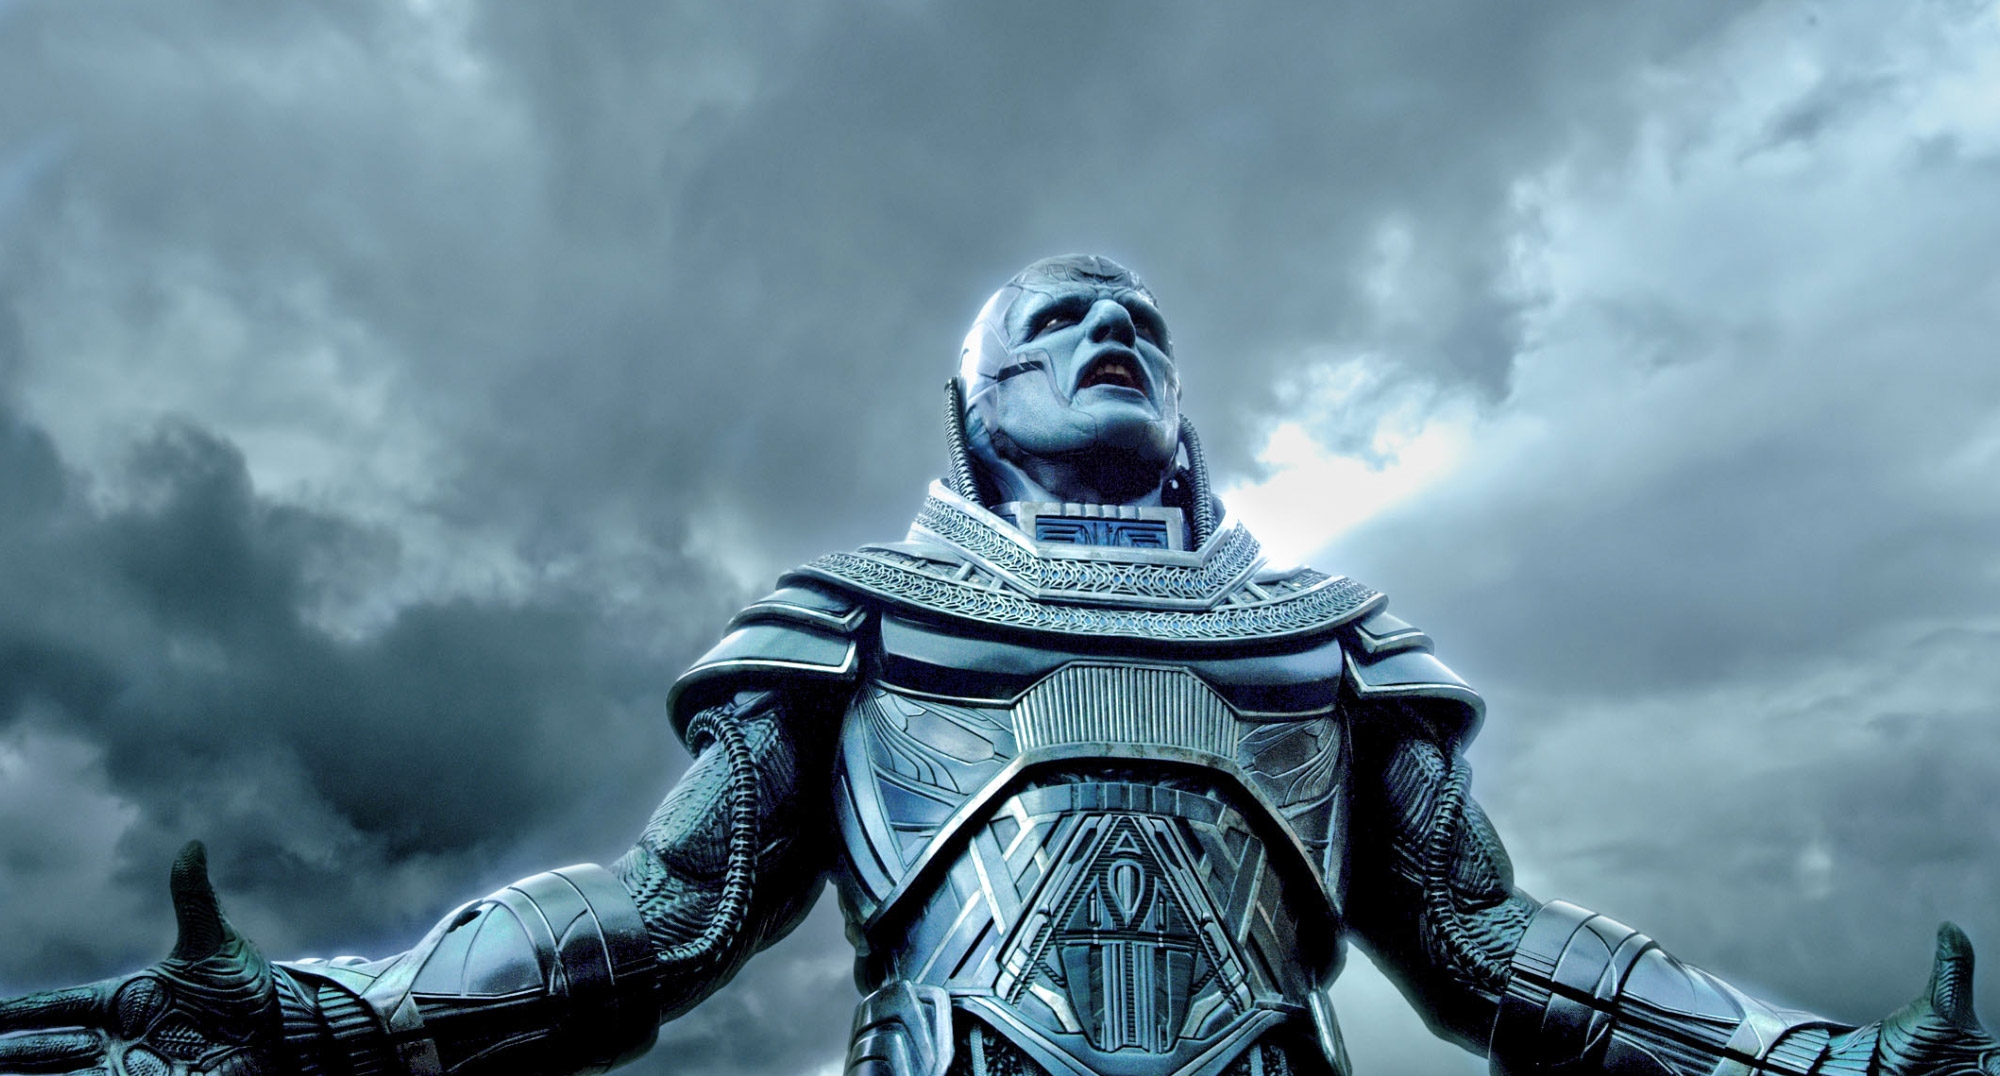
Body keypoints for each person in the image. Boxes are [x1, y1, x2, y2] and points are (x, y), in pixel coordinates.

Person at [0, 255, 1990, 1076]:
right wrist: (328, 1021)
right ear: (974, 419)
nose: (1107, 327)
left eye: (1137, 323)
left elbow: (1486, 942)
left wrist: (1811, 1062)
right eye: (1050, 322)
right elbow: (661, 911)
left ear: (1186, 417)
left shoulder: (1323, 635)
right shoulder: (860, 610)